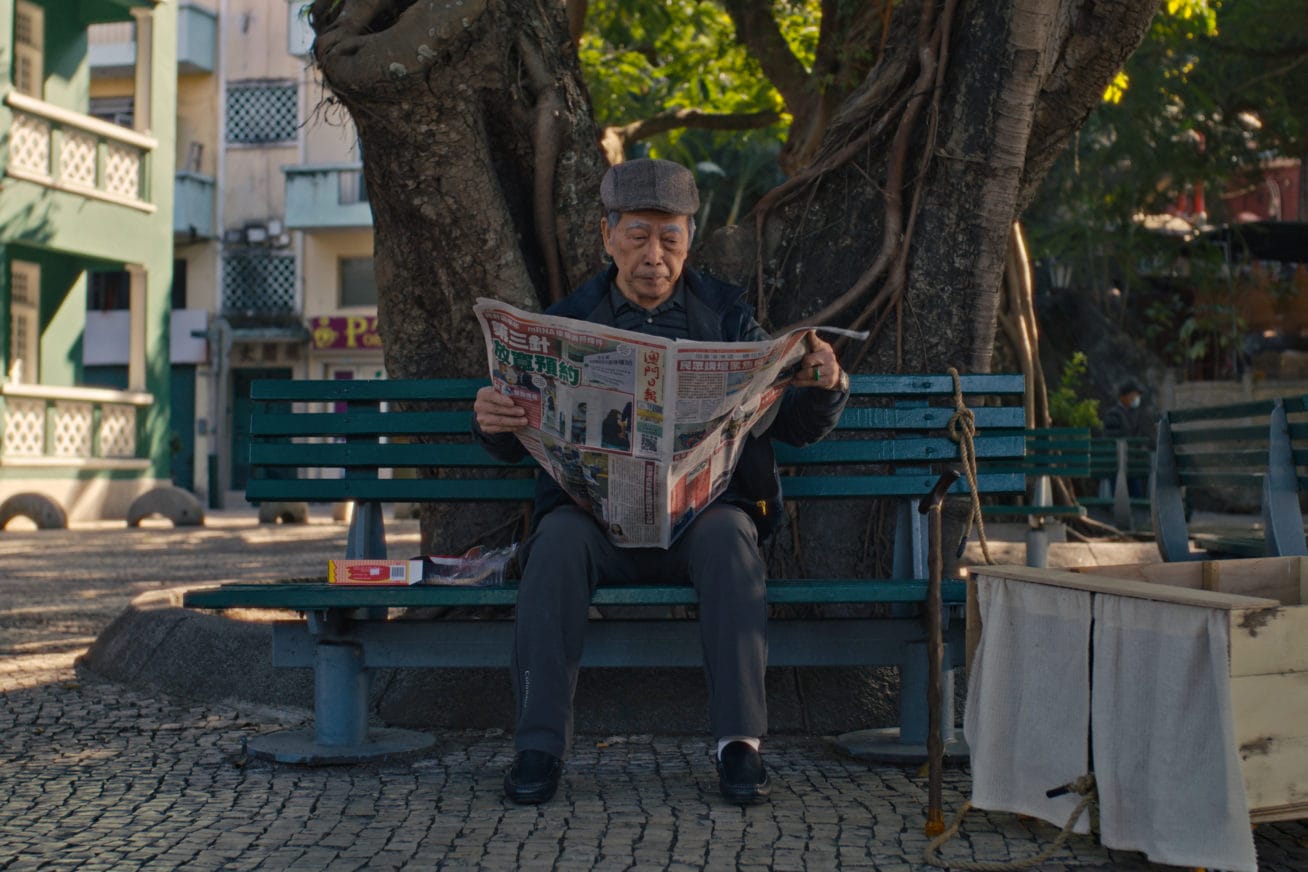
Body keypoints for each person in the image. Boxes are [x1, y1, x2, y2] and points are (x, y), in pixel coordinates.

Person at [472, 158, 850, 806]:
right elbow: (517, 437)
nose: (654, 255)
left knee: (733, 543)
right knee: (553, 548)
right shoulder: (569, 319)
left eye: (670, 238)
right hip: (592, 520)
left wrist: (827, 385)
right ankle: (538, 746)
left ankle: (740, 745)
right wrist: (493, 420)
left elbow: (792, 425)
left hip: (701, 517)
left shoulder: (727, 318)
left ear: (689, 240)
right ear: (607, 236)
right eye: (638, 236)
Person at [1101, 378, 1151, 497]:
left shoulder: (1134, 414)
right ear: (1124, 396)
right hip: (1117, 465)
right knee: (1123, 494)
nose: (1136, 398)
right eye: (1134, 395)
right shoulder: (1114, 414)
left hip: (1132, 465)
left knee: (1137, 494)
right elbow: (1113, 439)